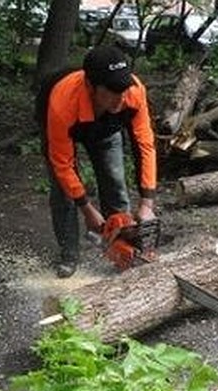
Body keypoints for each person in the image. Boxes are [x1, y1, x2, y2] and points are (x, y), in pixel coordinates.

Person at [37, 45, 157, 278]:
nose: (120, 97)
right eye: (112, 91)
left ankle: (124, 249)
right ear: (91, 86)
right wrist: (87, 208)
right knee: (64, 193)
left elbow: (145, 144)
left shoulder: (133, 93)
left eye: (122, 89)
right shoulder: (61, 103)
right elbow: (63, 164)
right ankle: (68, 255)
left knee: (114, 180)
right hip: (65, 124)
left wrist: (147, 203)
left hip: (106, 130)